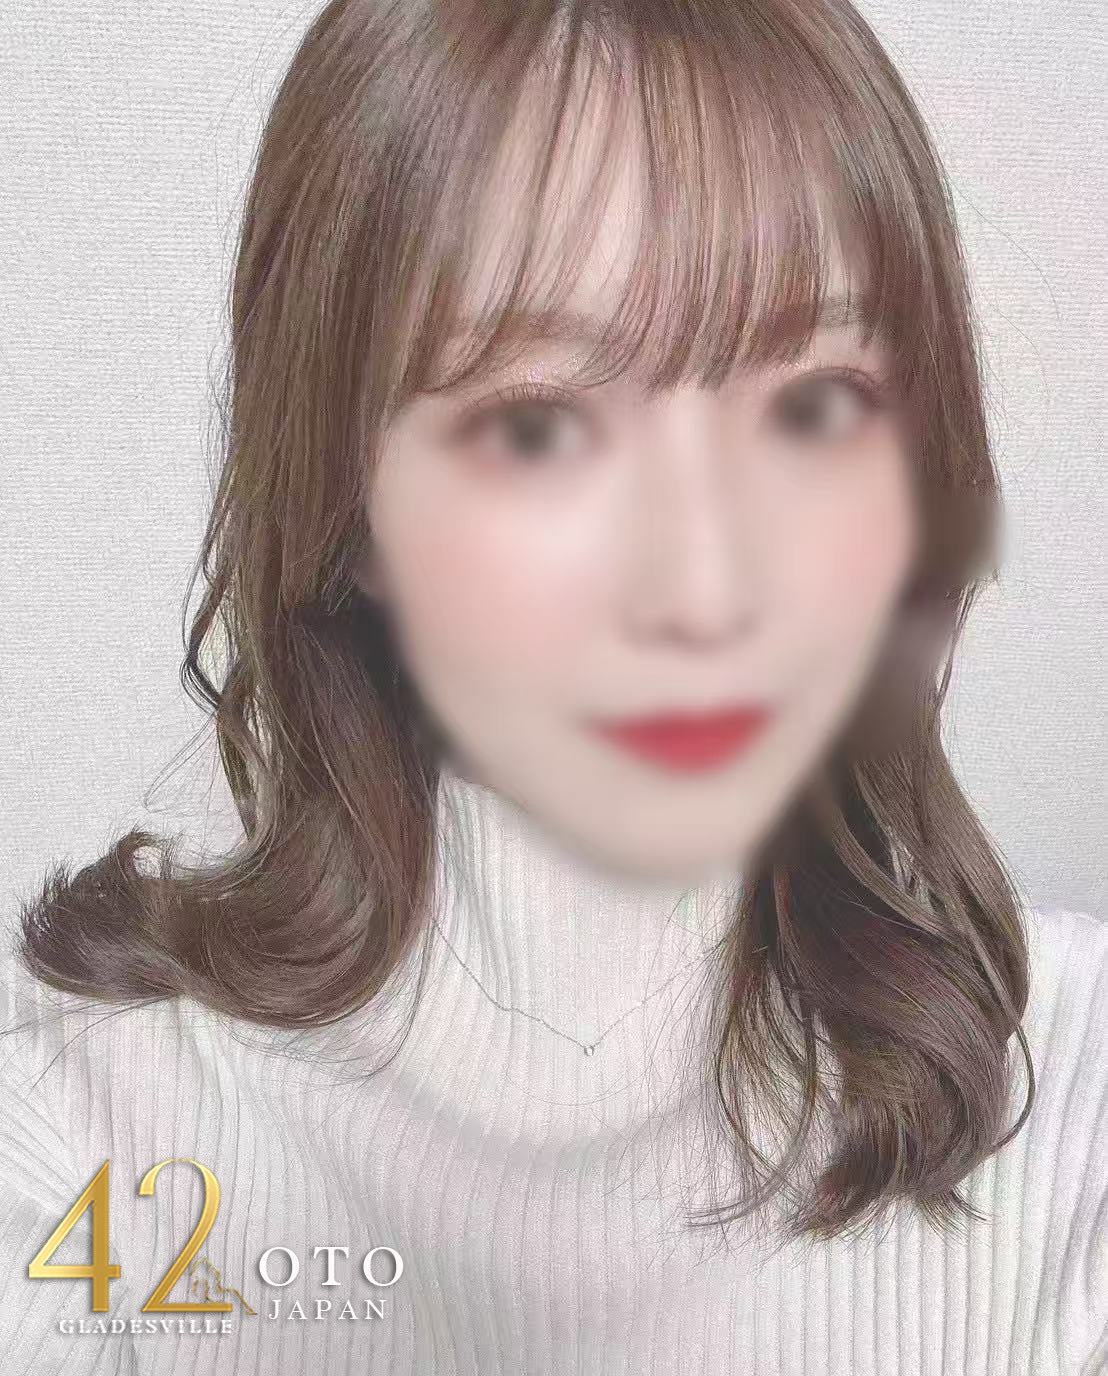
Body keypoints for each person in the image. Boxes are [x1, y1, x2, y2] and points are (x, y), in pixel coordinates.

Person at [2, 1, 1104, 1372]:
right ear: (346, 500)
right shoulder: (75, 1128)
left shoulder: (1077, 1103)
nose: (705, 585)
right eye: (536, 426)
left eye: (815, 406)